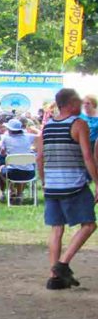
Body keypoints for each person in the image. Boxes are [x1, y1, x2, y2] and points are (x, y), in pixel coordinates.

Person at [36, 88, 98, 290]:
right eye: (78, 101)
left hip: (52, 185)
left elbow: (40, 157)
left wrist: (44, 181)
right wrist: (97, 182)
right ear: (70, 104)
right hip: (74, 184)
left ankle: (54, 277)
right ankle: (62, 264)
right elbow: (88, 156)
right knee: (88, 225)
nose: (81, 104)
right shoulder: (78, 124)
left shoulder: (47, 126)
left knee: (57, 228)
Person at [0, 118, 36, 201]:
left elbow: (2, 153)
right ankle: (19, 194)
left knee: (0, 168)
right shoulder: (29, 137)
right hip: (29, 173)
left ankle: (11, 190)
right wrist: (35, 129)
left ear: (10, 129)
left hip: (13, 172)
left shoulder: (5, 138)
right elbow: (40, 137)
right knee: (22, 168)